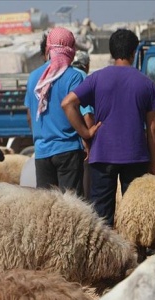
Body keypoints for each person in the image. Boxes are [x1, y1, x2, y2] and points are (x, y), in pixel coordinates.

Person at [61, 29, 155, 226]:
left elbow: (67, 103)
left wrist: (85, 132)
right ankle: (136, 254)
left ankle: (104, 255)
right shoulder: (146, 83)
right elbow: (153, 129)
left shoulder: (96, 78)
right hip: (136, 156)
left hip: (102, 154)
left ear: (111, 52)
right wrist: (153, 163)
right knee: (136, 215)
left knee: (101, 217)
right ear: (133, 52)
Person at [24, 27, 86, 196]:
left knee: (46, 209)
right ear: (71, 48)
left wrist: (40, 137)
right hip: (68, 150)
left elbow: (30, 116)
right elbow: (82, 111)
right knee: (72, 208)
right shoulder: (75, 76)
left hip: (42, 152)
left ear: (48, 48)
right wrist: (87, 136)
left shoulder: (33, 77)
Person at [72, 50, 95, 199]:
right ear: (86, 65)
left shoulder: (63, 74)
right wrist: (90, 141)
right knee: (85, 192)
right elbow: (86, 113)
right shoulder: (82, 78)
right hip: (81, 142)